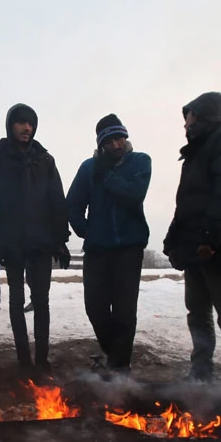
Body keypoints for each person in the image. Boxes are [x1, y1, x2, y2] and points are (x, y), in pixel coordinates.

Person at [162, 92, 221, 381]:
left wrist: (210, 239)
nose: (185, 124)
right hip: (197, 249)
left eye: (189, 117)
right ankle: (201, 370)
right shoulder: (195, 154)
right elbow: (187, 205)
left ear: (204, 115)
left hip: (219, 248)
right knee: (198, 313)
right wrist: (173, 240)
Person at [0, 104, 70, 371]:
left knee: (41, 298)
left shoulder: (45, 160)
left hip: (41, 241)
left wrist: (60, 239)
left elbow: (56, 199)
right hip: (12, 242)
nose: (26, 128)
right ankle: (23, 358)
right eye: (21, 123)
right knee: (16, 299)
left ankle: (42, 359)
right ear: (10, 125)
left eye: (31, 123)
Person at [67, 114, 151, 372]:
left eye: (120, 138)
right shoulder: (87, 168)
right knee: (95, 308)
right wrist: (86, 230)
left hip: (129, 247)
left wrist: (107, 176)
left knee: (125, 313)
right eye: (110, 140)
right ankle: (114, 357)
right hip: (98, 249)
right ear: (101, 143)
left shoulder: (140, 161)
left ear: (125, 137)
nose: (116, 145)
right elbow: (72, 205)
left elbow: (134, 194)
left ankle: (119, 369)